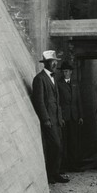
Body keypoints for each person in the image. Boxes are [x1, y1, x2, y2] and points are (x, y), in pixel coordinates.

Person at [31, 50, 69, 185]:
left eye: (55, 62)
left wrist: (60, 117)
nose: (54, 64)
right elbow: (39, 101)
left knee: (60, 146)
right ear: (46, 63)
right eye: (52, 62)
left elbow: (57, 101)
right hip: (49, 120)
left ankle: (56, 173)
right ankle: (50, 174)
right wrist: (45, 119)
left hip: (57, 119)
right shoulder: (39, 79)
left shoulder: (53, 78)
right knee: (55, 146)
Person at [57, 61, 84, 172]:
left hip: (74, 116)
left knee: (74, 142)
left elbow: (79, 100)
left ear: (71, 72)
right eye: (63, 72)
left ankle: (74, 165)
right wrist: (60, 117)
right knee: (64, 141)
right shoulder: (58, 84)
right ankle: (64, 166)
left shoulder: (75, 83)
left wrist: (81, 116)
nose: (65, 73)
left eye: (67, 71)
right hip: (64, 117)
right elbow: (58, 102)